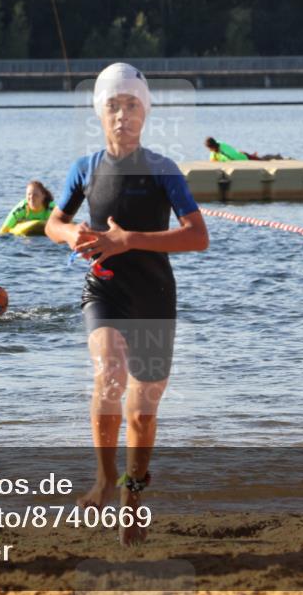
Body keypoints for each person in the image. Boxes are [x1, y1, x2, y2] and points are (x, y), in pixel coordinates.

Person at [45, 62, 209, 545]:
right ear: (100, 112)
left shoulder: (163, 170)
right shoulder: (85, 168)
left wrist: (127, 240)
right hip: (105, 287)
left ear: (145, 113)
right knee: (109, 373)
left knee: (142, 410)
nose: (122, 115)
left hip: (155, 293)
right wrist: (70, 232)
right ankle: (101, 477)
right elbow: (52, 224)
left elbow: (198, 237)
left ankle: (132, 496)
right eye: (113, 106)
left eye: (131, 106)